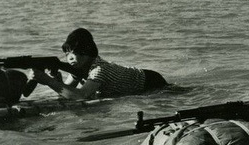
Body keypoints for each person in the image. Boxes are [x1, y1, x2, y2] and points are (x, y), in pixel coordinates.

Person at [28, 28, 167, 100]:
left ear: (87, 53)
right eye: (67, 54)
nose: (70, 58)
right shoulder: (79, 68)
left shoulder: (99, 69)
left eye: (75, 53)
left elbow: (80, 96)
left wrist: (46, 80)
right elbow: (67, 92)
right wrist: (55, 80)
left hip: (151, 81)